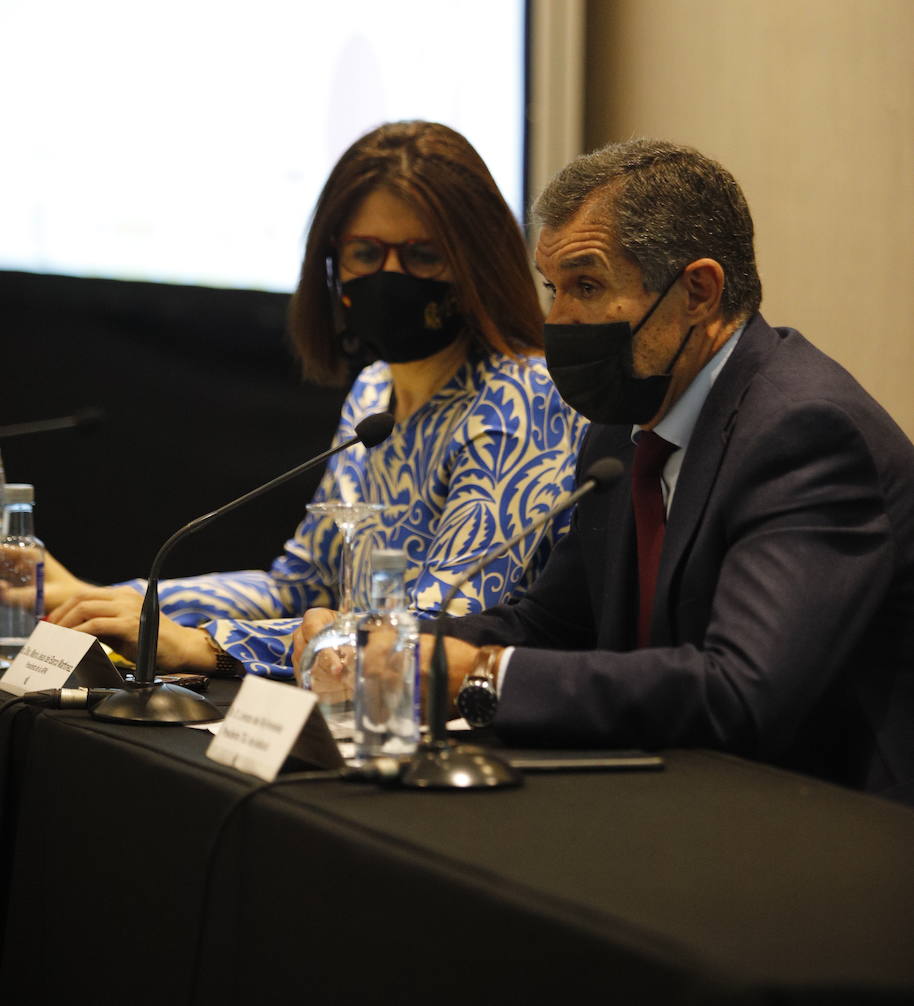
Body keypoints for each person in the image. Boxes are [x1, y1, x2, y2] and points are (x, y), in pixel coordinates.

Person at [393, 137, 914, 804]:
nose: (556, 321)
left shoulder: (803, 433)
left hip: (830, 825)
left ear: (698, 291)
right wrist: (396, 645)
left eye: (587, 286)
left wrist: (489, 676)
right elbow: (552, 625)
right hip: (683, 799)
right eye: (553, 288)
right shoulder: (626, 426)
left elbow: (743, 692)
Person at [45, 121, 587, 678]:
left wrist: (205, 646)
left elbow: (434, 625)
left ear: (478, 262)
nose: (390, 277)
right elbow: (296, 586)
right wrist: (107, 601)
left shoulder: (524, 397)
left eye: (424, 256)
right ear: (332, 263)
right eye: (365, 253)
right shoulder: (375, 390)